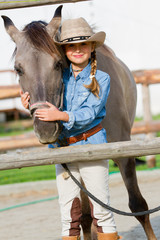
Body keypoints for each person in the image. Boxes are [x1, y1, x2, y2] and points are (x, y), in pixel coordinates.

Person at [20, 17, 121, 240]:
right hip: (64, 148)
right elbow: (48, 99)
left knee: (101, 211)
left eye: (83, 44)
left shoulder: (101, 79)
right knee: (69, 215)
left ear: (92, 47)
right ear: (64, 50)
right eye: (71, 46)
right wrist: (31, 105)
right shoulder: (60, 76)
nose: (77, 50)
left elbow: (90, 114)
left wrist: (61, 116)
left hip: (92, 146)